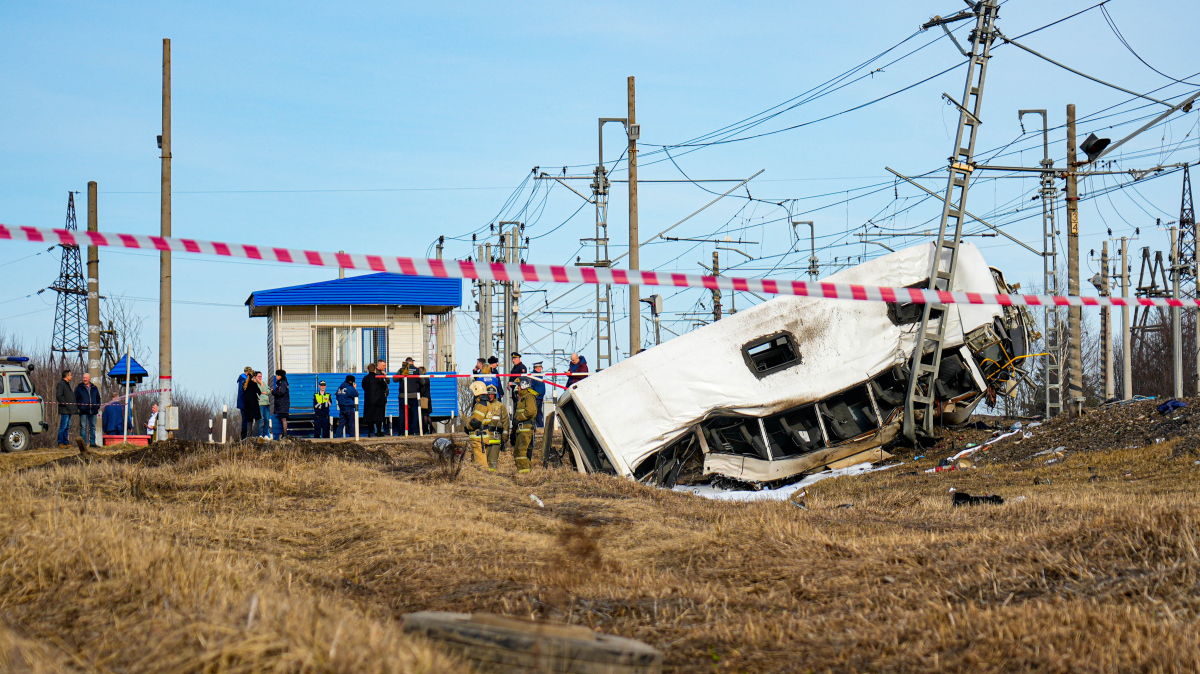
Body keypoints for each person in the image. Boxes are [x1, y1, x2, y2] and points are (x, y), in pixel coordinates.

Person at [466, 384, 508, 471]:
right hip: (486, 435)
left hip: (495, 435)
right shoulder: (485, 404)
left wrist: (505, 436)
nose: (490, 396)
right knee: (482, 458)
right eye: (489, 394)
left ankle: (492, 477)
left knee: (491, 461)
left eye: (492, 394)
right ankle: (487, 475)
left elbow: (505, 422)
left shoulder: (500, 406)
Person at [512, 377, 538, 473]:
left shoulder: (528, 397)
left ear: (522, 386)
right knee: (518, 452)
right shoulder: (522, 399)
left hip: (525, 429)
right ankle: (524, 471)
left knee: (521, 452)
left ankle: (524, 474)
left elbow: (530, 412)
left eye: (518, 386)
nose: (517, 388)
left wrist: (518, 418)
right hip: (521, 429)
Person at [397, 357, 425, 435]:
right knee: (415, 413)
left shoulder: (402, 370)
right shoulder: (417, 370)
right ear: (412, 362)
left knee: (402, 413)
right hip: (414, 395)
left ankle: (401, 432)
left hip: (403, 395)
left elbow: (395, 380)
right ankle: (416, 431)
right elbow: (422, 382)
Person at [74, 373, 101, 448]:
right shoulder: (79, 388)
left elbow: (98, 398)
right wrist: (81, 407)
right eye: (84, 378)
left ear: (89, 379)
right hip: (83, 411)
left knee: (93, 427)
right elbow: (76, 398)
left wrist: (97, 406)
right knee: (83, 427)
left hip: (93, 411)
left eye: (86, 378)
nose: (85, 379)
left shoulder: (94, 388)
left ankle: (92, 443)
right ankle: (84, 444)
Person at [465, 380, 489, 466]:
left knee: (480, 463)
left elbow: (476, 422)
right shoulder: (487, 404)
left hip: (479, 438)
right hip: (484, 436)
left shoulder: (480, 405)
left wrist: (467, 427)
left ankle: (484, 477)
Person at [364, 359, 389, 437]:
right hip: (379, 400)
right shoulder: (378, 377)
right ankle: (379, 431)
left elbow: (364, 387)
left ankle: (370, 432)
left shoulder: (365, 378)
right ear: (375, 369)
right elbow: (384, 386)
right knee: (379, 416)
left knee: (370, 417)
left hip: (369, 400)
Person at [54, 370, 77, 448]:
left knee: (67, 426)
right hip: (65, 409)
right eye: (70, 375)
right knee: (63, 426)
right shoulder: (61, 384)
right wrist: (65, 403)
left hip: (69, 409)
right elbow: (59, 396)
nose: (71, 376)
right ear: (67, 376)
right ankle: (60, 442)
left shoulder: (66, 384)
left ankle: (66, 442)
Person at [240, 372, 261, 439]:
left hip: (247, 405)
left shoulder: (244, 385)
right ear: (254, 377)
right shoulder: (254, 384)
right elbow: (259, 392)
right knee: (257, 419)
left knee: (249, 420)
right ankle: (254, 435)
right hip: (254, 404)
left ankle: (248, 436)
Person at [271, 370, 291, 439]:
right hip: (283, 404)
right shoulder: (283, 383)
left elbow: (281, 392)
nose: (276, 376)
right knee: (283, 419)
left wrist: (273, 391)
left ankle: (285, 434)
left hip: (282, 404)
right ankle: (284, 433)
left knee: (283, 419)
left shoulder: (282, 383)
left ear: (280, 376)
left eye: (277, 375)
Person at [530, 362, 547, 428]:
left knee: (539, 413)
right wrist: (535, 395)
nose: (541, 369)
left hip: (540, 397)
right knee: (535, 413)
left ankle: (540, 426)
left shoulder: (540, 376)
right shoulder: (533, 376)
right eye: (540, 367)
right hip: (536, 398)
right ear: (537, 368)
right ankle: (536, 426)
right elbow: (531, 387)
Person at [255, 371, 271, 438]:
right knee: (260, 419)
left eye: (261, 376)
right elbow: (260, 391)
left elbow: (269, 390)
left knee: (267, 419)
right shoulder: (255, 384)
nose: (260, 378)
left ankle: (265, 434)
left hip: (266, 403)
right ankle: (259, 434)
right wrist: (260, 383)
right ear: (255, 377)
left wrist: (266, 392)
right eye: (259, 376)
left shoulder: (264, 383)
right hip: (260, 403)